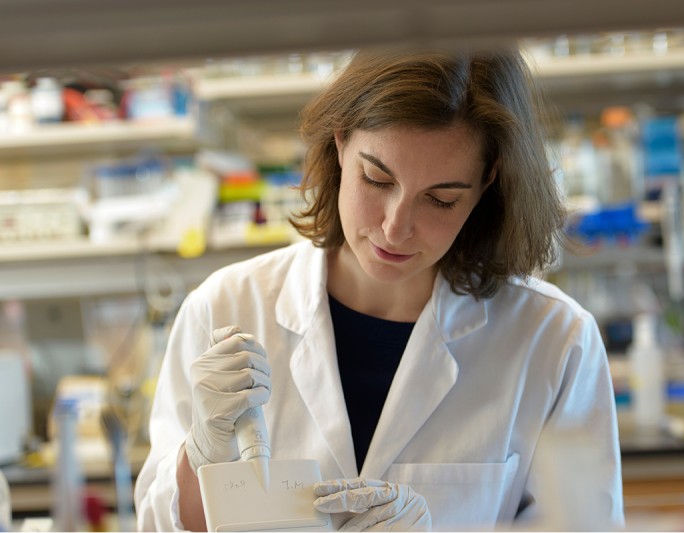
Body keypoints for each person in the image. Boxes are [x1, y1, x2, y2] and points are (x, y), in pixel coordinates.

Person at [134, 45, 624, 531]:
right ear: (341, 140)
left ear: (486, 184)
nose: (395, 228)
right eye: (376, 179)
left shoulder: (555, 341)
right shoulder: (224, 307)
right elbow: (158, 525)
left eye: (440, 199)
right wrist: (198, 461)